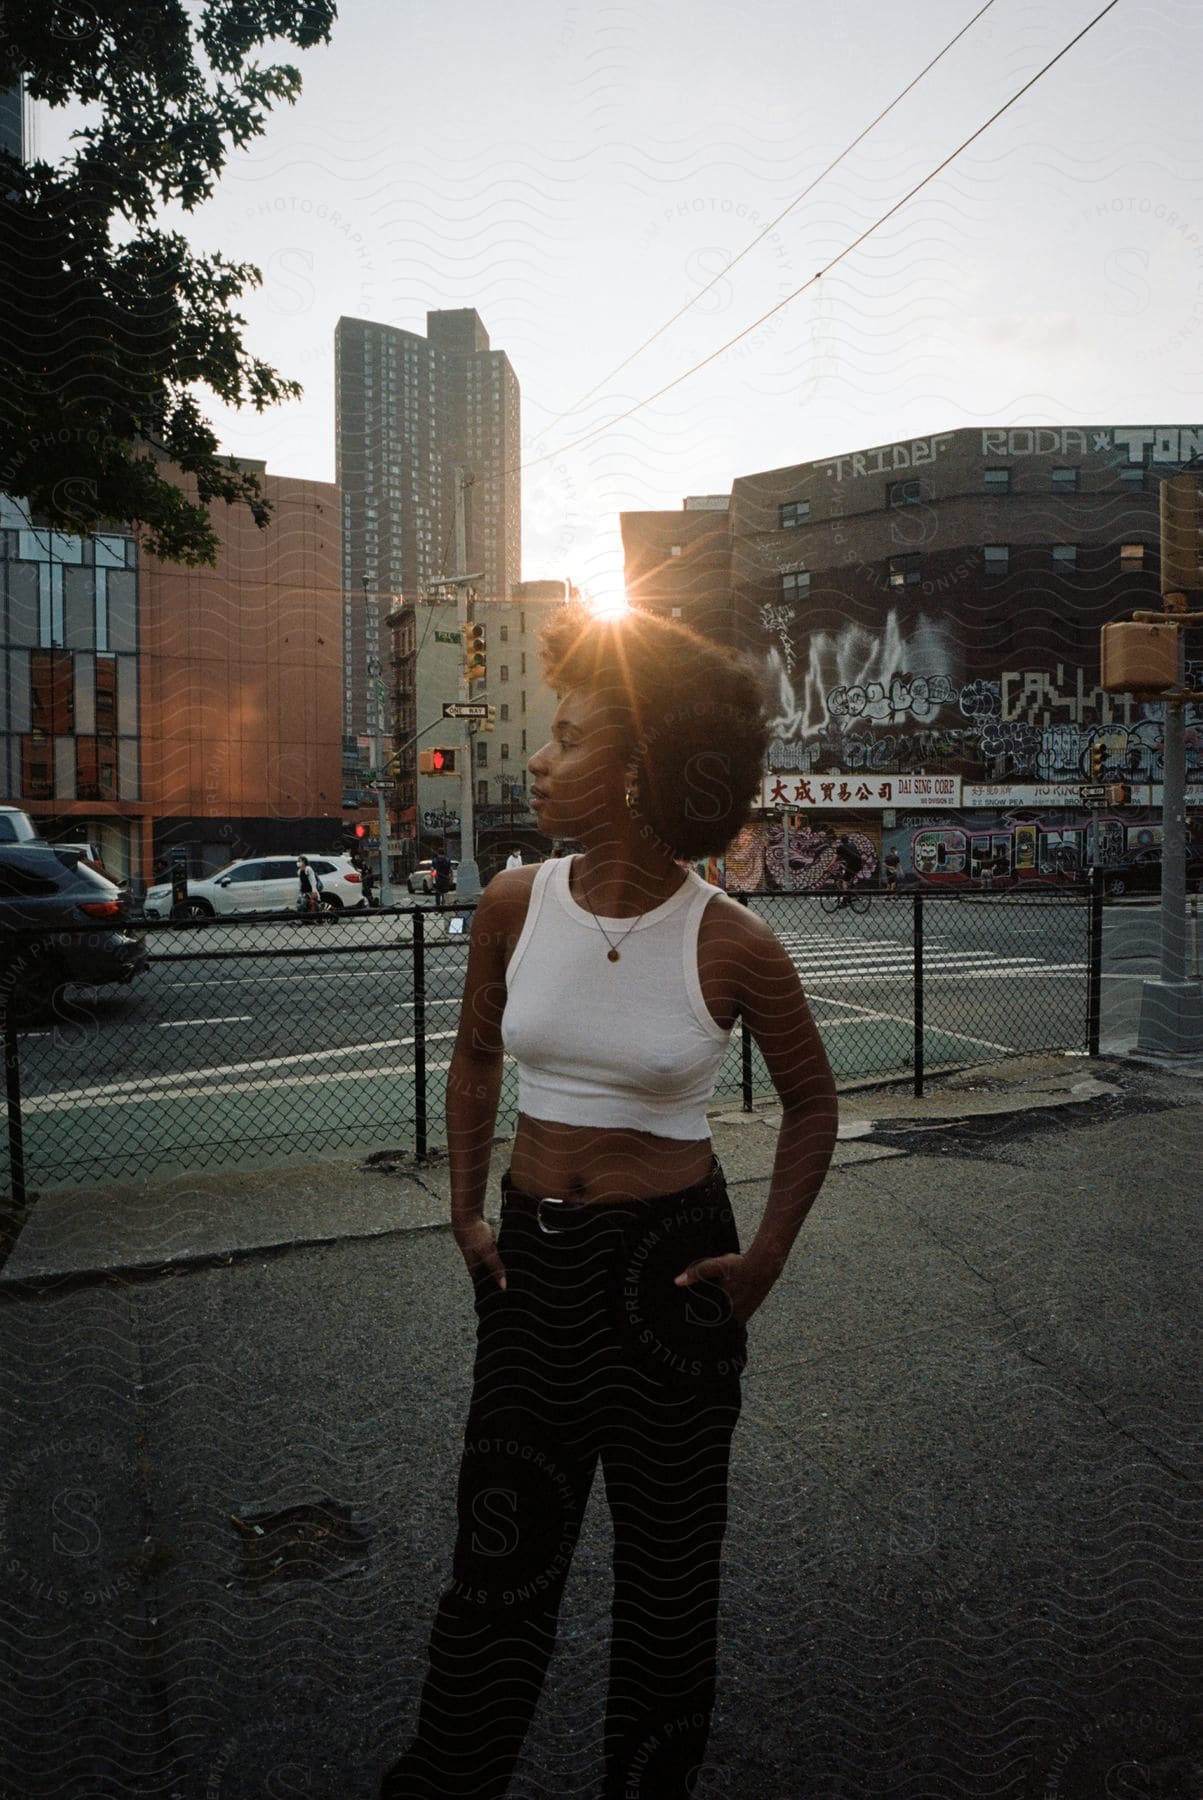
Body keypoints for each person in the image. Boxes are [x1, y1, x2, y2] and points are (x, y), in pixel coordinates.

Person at [381, 605, 838, 1800]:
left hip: (673, 1278)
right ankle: (449, 1777)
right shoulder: (514, 903)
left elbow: (813, 1105)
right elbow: (476, 1058)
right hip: (533, 1264)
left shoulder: (736, 945)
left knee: (669, 1575)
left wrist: (768, 1260)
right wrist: (468, 1211)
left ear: (636, 772)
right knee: (501, 1550)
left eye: (566, 738)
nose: (538, 756)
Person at [832, 833, 863, 907]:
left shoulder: (840, 847)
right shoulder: (853, 845)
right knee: (849, 877)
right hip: (859, 864)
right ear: (848, 840)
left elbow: (834, 859)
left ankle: (845, 901)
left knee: (844, 881)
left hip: (851, 865)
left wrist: (828, 867)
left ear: (841, 841)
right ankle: (852, 891)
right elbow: (852, 855)